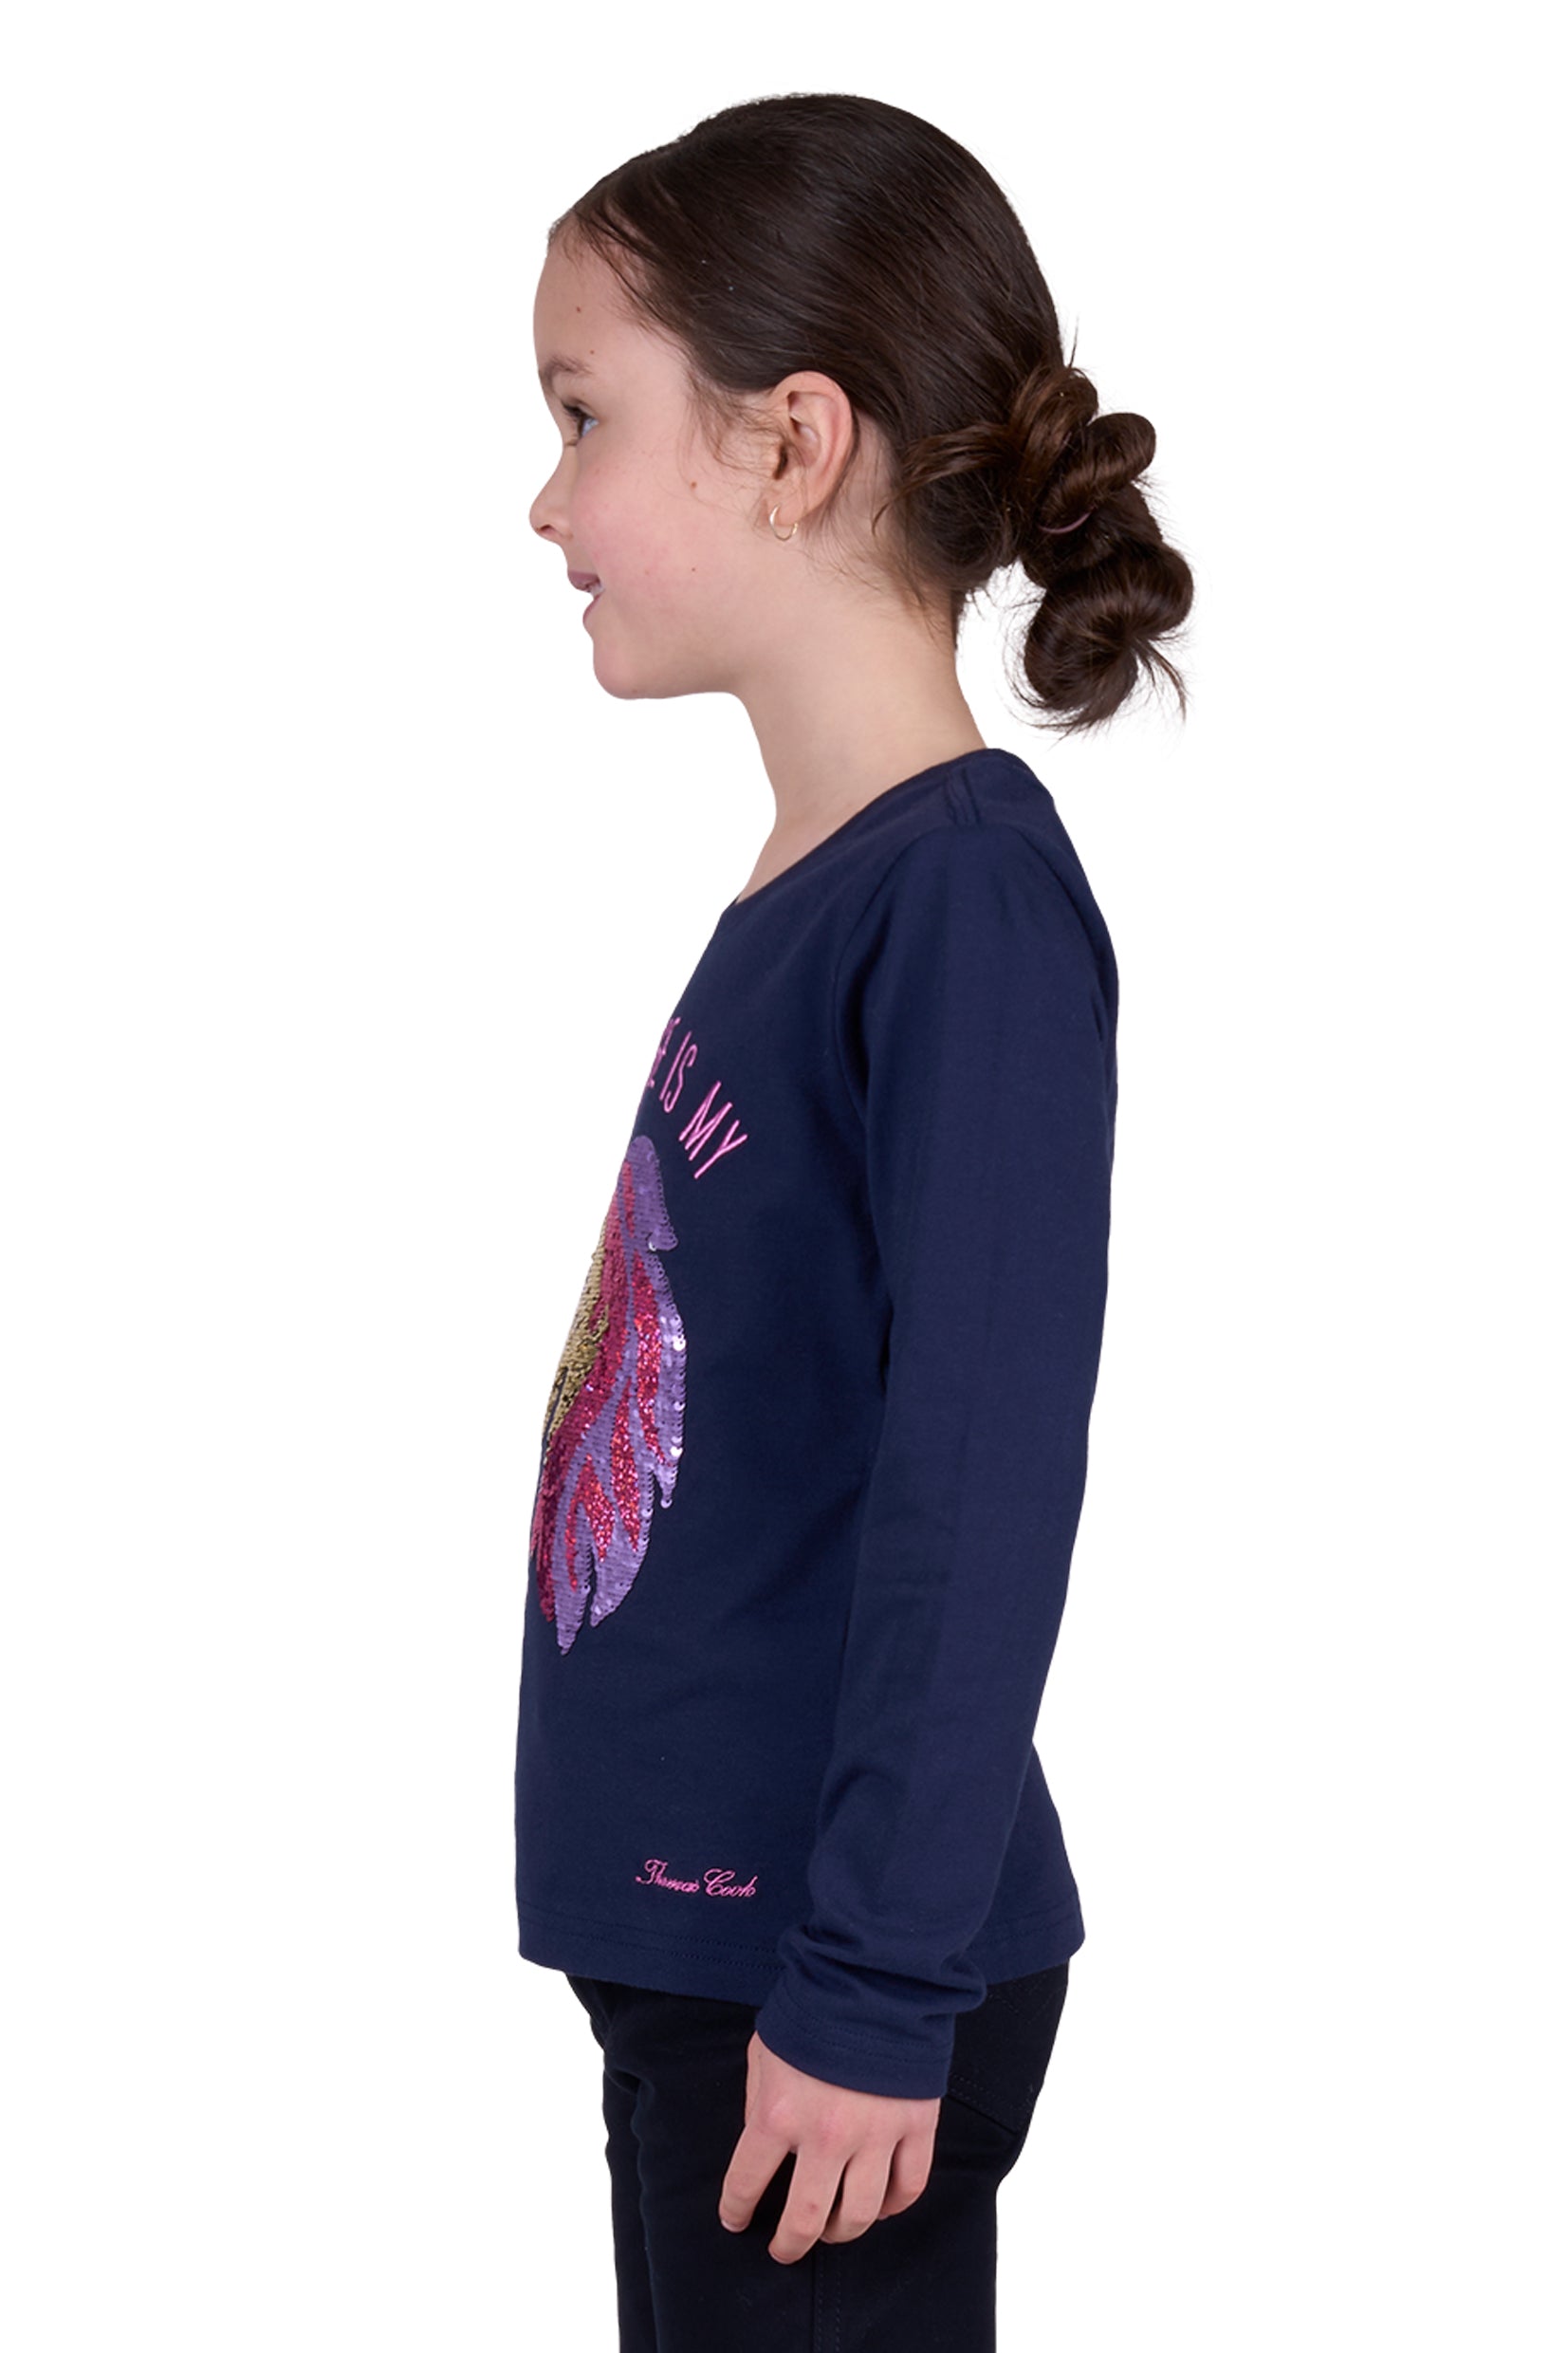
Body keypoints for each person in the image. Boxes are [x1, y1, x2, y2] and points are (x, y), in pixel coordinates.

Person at [515, 90, 1193, 2352]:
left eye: (583, 417)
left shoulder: (962, 903)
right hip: (717, 1954)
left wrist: (878, 1978)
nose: (545, 501)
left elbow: (976, 1474)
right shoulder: (820, 889)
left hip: (817, 1980)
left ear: (790, 440)